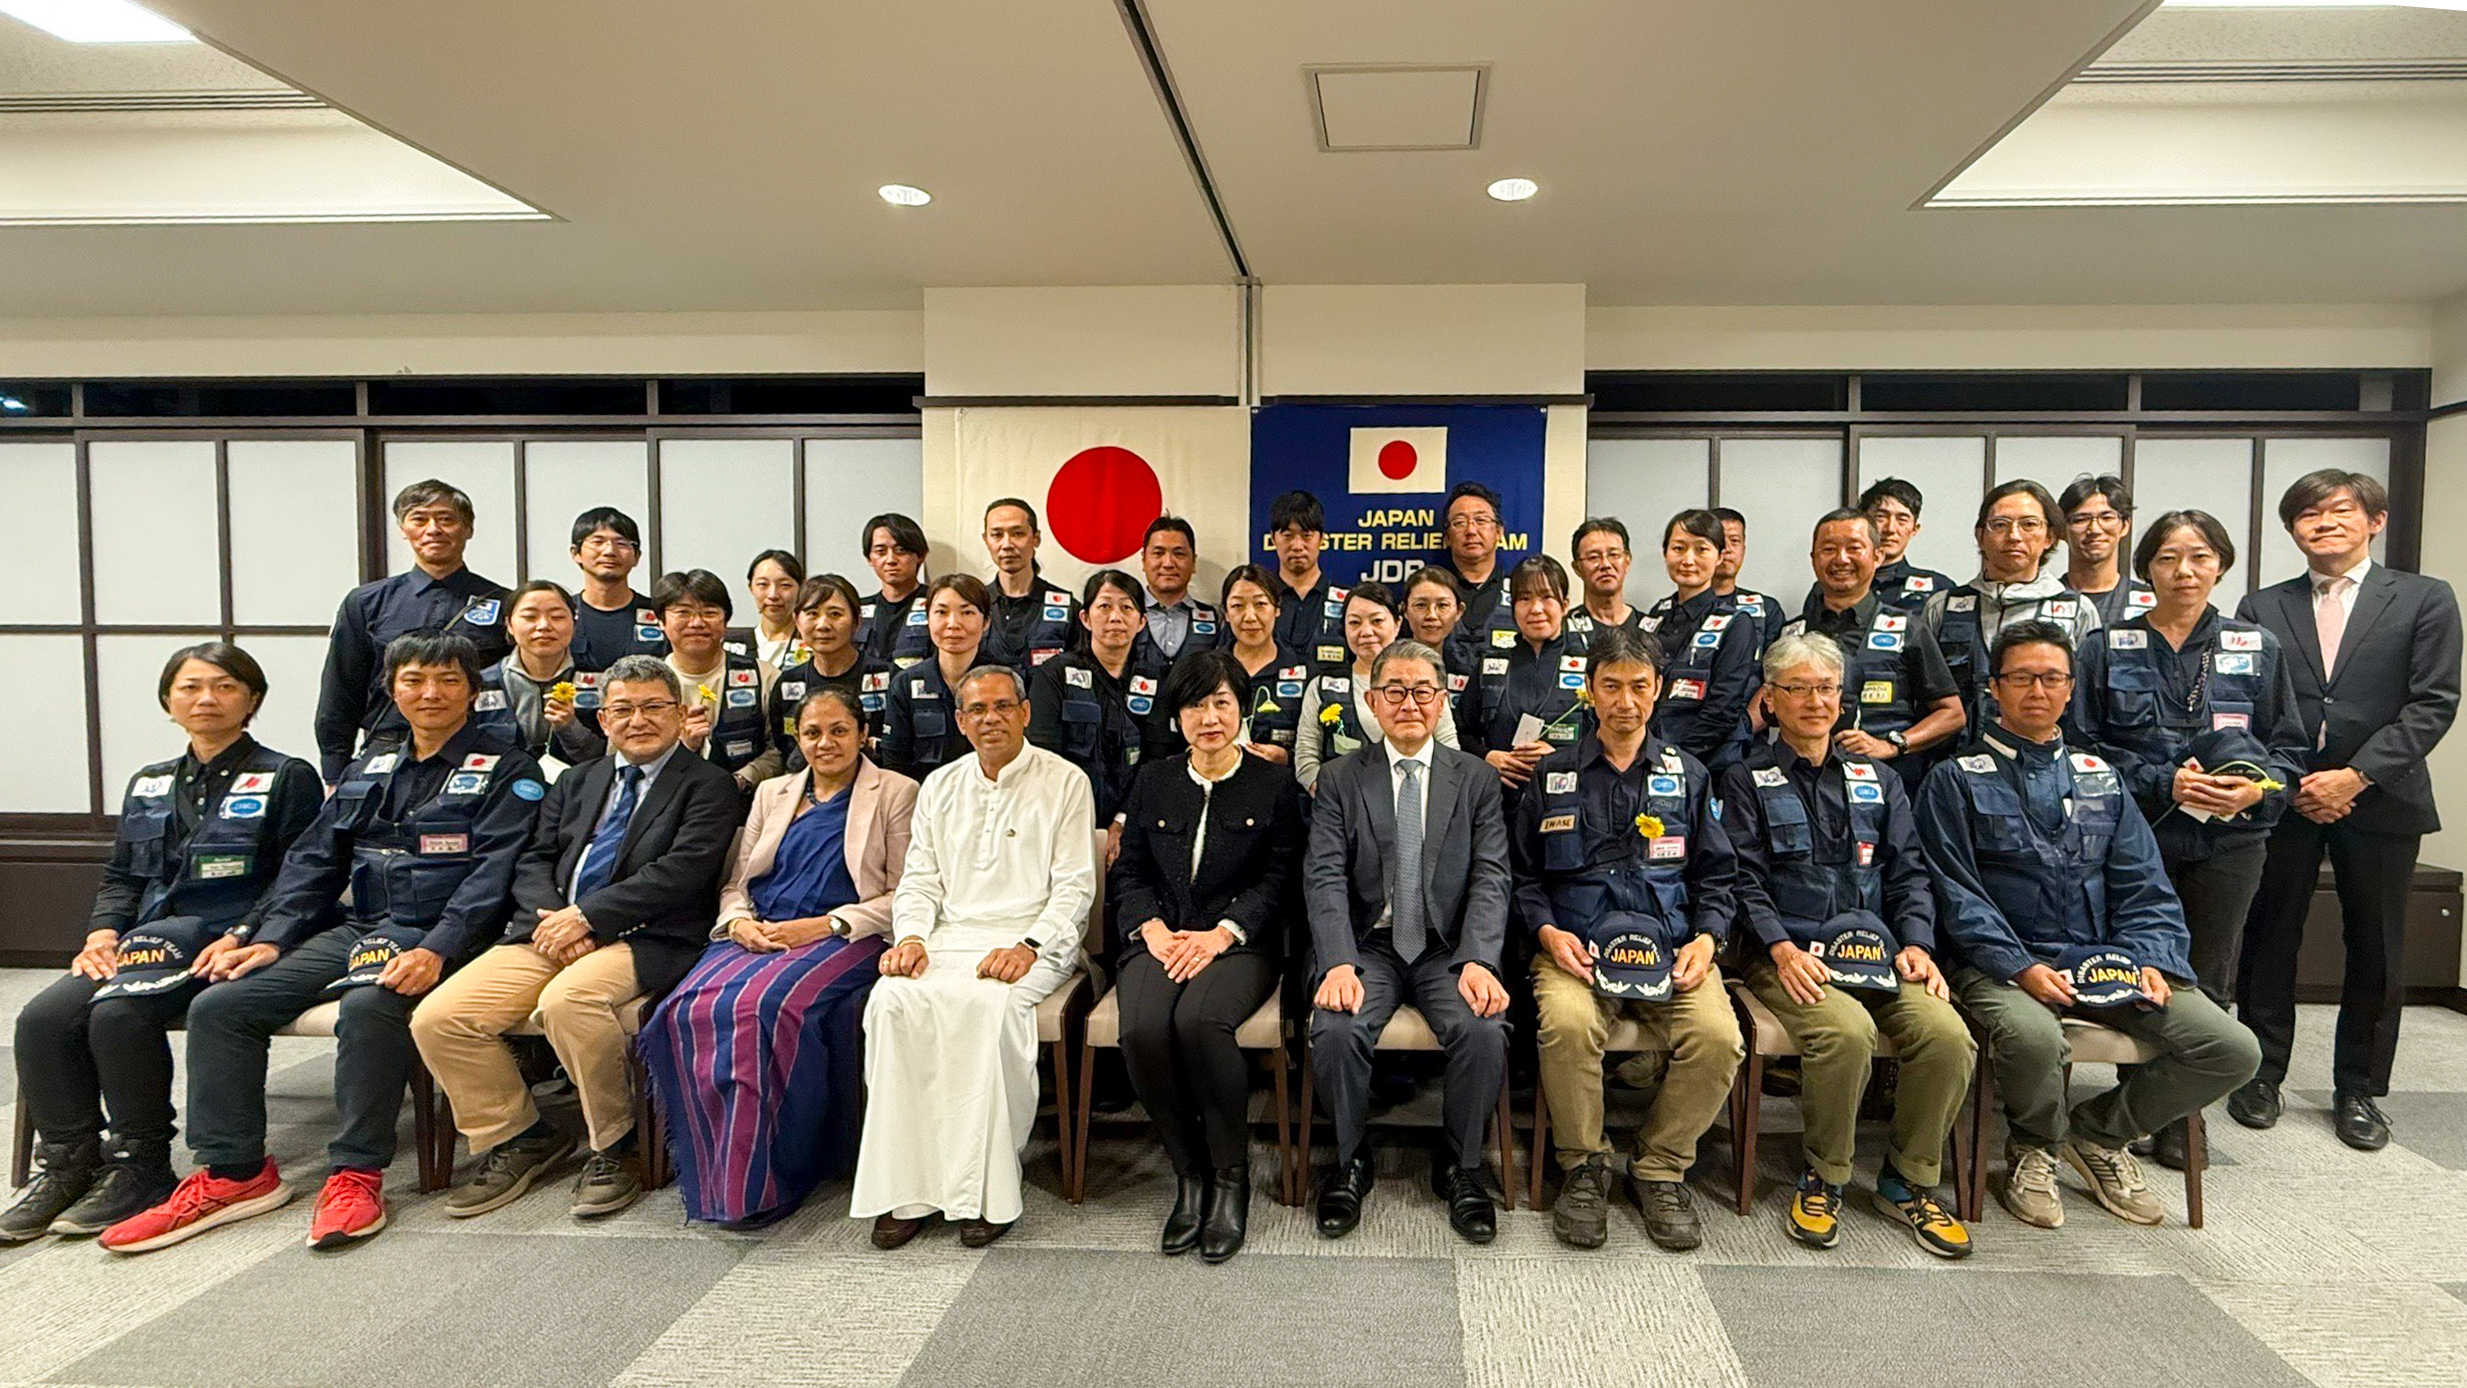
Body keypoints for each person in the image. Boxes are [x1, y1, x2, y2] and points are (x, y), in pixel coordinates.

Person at [101, 634, 543, 1254]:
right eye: (414, 679)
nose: (430, 693)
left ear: (473, 690)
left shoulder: (508, 769)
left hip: (450, 936)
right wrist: (269, 937)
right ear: (392, 689)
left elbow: (493, 876)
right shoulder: (372, 765)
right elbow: (313, 860)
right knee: (222, 1005)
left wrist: (438, 947)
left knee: (368, 1006)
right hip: (361, 927)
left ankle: (356, 1172)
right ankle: (235, 1172)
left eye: (448, 680)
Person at [1917, 621, 2261, 1230]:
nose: (2037, 691)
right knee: (2033, 1038)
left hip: (2106, 961)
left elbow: (2144, 885)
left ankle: (2099, 1134)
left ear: (2071, 689)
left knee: (2232, 1049)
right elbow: (1956, 893)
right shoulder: (1955, 778)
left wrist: (2152, 958)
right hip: (2001, 964)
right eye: (2022, 678)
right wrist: (2020, 967)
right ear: (1994, 688)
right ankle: (2034, 1148)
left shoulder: (2102, 776)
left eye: (2052, 678)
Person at [3, 645, 321, 1244]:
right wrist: (102, 932)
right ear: (168, 702)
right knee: (42, 1019)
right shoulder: (149, 781)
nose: (206, 699)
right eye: (190, 688)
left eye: (224, 686)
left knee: (118, 1015)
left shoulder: (287, 776)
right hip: (147, 940)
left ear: (252, 699)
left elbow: (301, 876)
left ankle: (141, 1165)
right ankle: (70, 1166)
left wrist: (247, 932)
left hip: (229, 941)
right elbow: (123, 875)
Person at [413, 655, 741, 1223]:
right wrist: (557, 920)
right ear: (603, 720)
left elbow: (681, 873)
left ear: (679, 712)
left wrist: (588, 918)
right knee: (440, 1017)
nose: (638, 720)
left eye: (654, 707)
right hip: (551, 931)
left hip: (648, 935)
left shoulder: (708, 785)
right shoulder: (577, 779)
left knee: (569, 1002)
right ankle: (521, 1135)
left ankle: (618, 1144)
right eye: (623, 709)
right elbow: (534, 857)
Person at [1719, 633, 1975, 1257]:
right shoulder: (1745, 779)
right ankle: (1825, 1175)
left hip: (1879, 954)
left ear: (1842, 697)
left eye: (1826, 689)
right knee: (1846, 1032)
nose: (1815, 702)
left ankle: (1908, 1179)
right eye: (1798, 689)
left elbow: (1909, 872)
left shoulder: (1880, 779)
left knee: (1948, 1036)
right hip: (1787, 954)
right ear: (1771, 700)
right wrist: (1780, 948)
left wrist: (1918, 944)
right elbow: (1742, 880)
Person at [2229, 470, 2462, 1151]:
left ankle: (2358, 1088)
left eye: (2339, 510)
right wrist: (2294, 781)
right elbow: (2247, 703)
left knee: (2376, 945)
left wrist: (2354, 777)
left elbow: (2433, 702)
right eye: (2307, 514)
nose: (2323, 523)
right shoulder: (2261, 605)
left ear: (2374, 521)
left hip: (2382, 797)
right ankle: (2261, 1074)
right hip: (2288, 796)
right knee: (2268, 937)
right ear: (2291, 529)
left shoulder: (2423, 598)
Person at [2071, 509, 2306, 1169]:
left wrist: (2256, 790)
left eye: (2199, 556)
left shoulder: (2257, 647)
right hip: (2133, 837)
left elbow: (2288, 751)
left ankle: (2179, 1118)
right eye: (2168, 558)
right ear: (2146, 567)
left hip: (2229, 842)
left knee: (2208, 975)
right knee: (2137, 973)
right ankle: (2134, 1107)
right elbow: (2081, 747)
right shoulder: (2105, 647)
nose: (2184, 571)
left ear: (2220, 566)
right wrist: (2161, 781)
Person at [640, 687, 918, 1229]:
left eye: (839, 730)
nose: (825, 742)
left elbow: (904, 891)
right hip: (760, 931)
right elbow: (738, 882)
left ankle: (777, 1175)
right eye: (812, 732)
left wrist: (823, 925)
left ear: (863, 735)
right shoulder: (772, 793)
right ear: (797, 739)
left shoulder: (896, 791)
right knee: (684, 1011)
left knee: (765, 1009)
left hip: (844, 935)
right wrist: (739, 923)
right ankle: (716, 1173)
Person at [1510, 627, 1743, 1252]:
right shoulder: (1553, 773)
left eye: (1639, 686)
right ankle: (1584, 1165)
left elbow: (1717, 877)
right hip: (1576, 951)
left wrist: (1708, 940)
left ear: (1658, 688)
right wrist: (1546, 932)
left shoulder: (1688, 775)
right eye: (1610, 686)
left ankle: (1659, 1166)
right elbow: (1523, 876)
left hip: (1670, 950)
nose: (1625, 701)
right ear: (1589, 691)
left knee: (1718, 1037)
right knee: (1566, 1026)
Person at [853, 664, 1097, 1250]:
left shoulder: (1066, 781)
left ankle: (989, 1189)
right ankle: (907, 1190)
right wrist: (911, 938)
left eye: (1003, 706)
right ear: (960, 722)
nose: (992, 719)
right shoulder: (940, 786)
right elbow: (919, 881)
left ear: (1025, 713)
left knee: (989, 1006)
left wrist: (1029, 946)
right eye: (978, 710)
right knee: (891, 1002)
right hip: (949, 936)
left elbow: (1074, 887)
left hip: (1035, 939)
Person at [1306, 639, 1512, 1245]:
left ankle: (1462, 1164)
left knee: (1483, 1028)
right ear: (1372, 701)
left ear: (1442, 700)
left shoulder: (1475, 778)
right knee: (1336, 1028)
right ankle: (1350, 1159)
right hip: (1368, 944)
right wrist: (1338, 962)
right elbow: (1323, 876)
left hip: (1447, 947)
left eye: (1423, 691)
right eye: (1394, 691)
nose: (1409, 703)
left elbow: (1492, 875)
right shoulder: (1341, 778)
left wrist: (1479, 958)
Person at [1110, 652, 1306, 1261]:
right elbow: (1130, 870)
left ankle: (1229, 1177)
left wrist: (1223, 933)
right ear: (1178, 715)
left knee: (1199, 1022)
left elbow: (1280, 879)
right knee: (1143, 1028)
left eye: (1222, 703)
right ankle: (1188, 1172)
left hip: (1239, 943)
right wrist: (1149, 928)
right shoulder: (1154, 779)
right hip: (1162, 938)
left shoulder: (1273, 785)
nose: (1210, 717)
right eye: (1196, 705)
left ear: (1242, 710)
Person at [313, 479, 511, 783]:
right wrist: (334, 773)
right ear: (403, 529)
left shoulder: (505, 603)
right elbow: (340, 691)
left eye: (446, 519)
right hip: (388, 748)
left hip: (479, 749)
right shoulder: (366, 602)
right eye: (419, 519)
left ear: (468, 529)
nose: (433, 529)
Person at [1778, 509, 1966, 788]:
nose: (1841, 559)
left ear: (1878, 556)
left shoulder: (1908, 628)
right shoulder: (1792, 634)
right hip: (1802, 783)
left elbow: (1952, 714)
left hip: (1888, 784)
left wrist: (1893, 745)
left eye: (1854, 548)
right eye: (1828, 549)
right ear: (1814, 558)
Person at [1918, 479, 2101, 738]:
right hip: (1952, 754)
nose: (2014, 536)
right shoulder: (1942, 606)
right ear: (1980, 536)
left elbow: (2087, 707)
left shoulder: (2077, 611)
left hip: (2041, 753)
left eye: (2029, 524)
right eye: (2000, 525)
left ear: (2050, 537)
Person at [1030, 570, 1168, 852]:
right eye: (1104, 606)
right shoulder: (1054, 675)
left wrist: (1122, 821)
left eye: (1126, 608)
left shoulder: (1156, 679)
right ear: (1085, 618)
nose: (1115, 617)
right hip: (1063, 821)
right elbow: (1043, 758)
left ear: (1142, 622)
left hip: (1133, 822)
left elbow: (1157, 760)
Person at [1293, 582, 1460, 793]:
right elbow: (1306, 758)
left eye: (1377, 621)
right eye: (1355, 622)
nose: (1366, 631)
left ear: (1397, 624)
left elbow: (1449, 749)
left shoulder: (1425, 682)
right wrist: (1335, 800)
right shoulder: (1321, 687)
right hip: (1341, 804)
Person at [1458, 556, 1594, 802]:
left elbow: (1609, 739)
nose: (1536, 609)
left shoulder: (1588, 666)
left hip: (1568, 801)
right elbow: (1460, 734)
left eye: (1546, 597)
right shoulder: (1490, 664)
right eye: (1524, 598)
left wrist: (1560, 758)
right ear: (1512, 608)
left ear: (1564, 606)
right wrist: (1486, 757)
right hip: (1499, 805)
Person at [1643, 510, 1759, 773]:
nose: (1688, 559)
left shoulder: (1736, 623)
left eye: (1701, 549)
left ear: (1719, 556)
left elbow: (1723, 709)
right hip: (1649, 759)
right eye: (1678, 548)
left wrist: (1678, 760)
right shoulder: (1653, 619)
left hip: (1708, 765)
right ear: (1665, 553)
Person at [656, 568, 781, 791]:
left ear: (725, 620)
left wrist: (739, 781)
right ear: (661, 621)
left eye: (709, 612)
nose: (696, 622)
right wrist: (681, 748)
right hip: (664, 797)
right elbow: (623, 756)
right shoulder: (645, 683)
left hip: (745, 799)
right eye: (683, 612)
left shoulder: (764, 676)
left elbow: (780, 749)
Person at [474, 580, 607, 770]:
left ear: (574, 624)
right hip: (502, 785)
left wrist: (570, 727)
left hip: (581, 784)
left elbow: (609, 756)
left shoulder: (603, 683)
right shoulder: (479, 685)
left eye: (557, 617)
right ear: (509, 624)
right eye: (530, 617)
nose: (544, 626)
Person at [877, 574, 993, 781]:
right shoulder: (905, 684)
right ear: (928, 620)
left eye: (966, 612)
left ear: (986, 622)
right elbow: (895, 765)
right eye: (941, 612)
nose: (953, 624)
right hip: (923, 796)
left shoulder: (1006, 680)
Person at [767, 574, 888, 769]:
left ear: (857, 622)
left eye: (835, 614)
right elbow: (783, 748)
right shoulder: (787, 683)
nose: (823, 625)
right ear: (797, 621)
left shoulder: (889, 677)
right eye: (812, 614)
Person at [1219, 564, 1309, 766]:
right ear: (1226, 613)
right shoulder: (1207, 671)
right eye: (1238, 606)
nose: (1250, 617)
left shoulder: (1304, 672)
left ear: (1277, 609)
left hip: (1283, 780)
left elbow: (1317, 748)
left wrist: (1287, 757)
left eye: (1260, 604)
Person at [980, 498, 1081, 672]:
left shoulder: (1068, 607)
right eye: (997, 535)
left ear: (1036, 538)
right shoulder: (975, 604)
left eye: (1017, 534)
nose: (1007, 544)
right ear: (986, 540)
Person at [565, 507, 666, 672]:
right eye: (597, 542)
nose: (609, 551)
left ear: (637, 556)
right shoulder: (562, 615)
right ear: (576, 553)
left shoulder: (660, 614)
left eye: (621, 543)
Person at [1266, 490, 1348, 671]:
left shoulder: (1348, 602)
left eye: (1306, 535)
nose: (1297, 546)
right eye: (1287, 535)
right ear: (1273, 539)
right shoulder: (1260, 601)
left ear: (1321, 539)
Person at [2061, 474, 2156, 628]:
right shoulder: (2045, 600)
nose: (2094, 529)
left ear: (2125, 526)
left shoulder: (2152, 603)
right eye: (2081, 519)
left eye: (2106, 518)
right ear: (2062, 530)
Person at [1856, 477, 1957, 613]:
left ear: (1914, 529)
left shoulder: (1938, 589)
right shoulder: (1840, 582)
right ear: (1861, 522)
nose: (1890, 529)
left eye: (1902, 519)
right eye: (1881, 517)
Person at [1136, 515, 1222, 662]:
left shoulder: (1216, 618)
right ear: (1144, 560)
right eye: (1158, 553)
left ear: (1193, 562)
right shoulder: (1125, 615)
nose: (1168, 563)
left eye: (1179, 554)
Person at [855, 512, 934, 669]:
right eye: (881, 551)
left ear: (920, 555)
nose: (891, 560)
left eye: (901, 550)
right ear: (869, 558)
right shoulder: (858, 610)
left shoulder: (936, 604)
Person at [1442, 481, 1512, 637]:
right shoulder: (1431, 591)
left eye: (1481, 520)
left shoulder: (1519, 590)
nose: (1471, 530)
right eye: (1460, 522)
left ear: (1499, 532)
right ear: (1447, 537)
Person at [1711, 508, 1785, 653]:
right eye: (1719, 541)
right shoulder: (1678, 608)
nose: (1727, 549)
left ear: (1743, 549)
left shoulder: (1766, 609)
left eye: (1735, 541)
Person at [1567, 517, 1645, 640]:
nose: (1605, 564)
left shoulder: (1648, 628)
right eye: (1593, 557)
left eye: (1614, 555)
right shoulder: (1565, 630)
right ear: (1577, 568)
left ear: (1627, 561)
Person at [733, 549, 807, 671]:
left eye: (784, 585)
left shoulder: (813, 644)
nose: (773, 595)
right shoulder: (733, 647)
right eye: (763, 584)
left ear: (801, 588)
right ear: (751, 588)